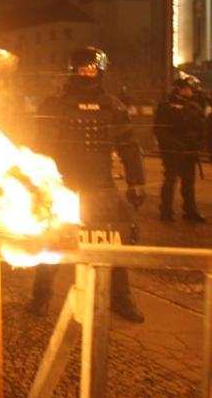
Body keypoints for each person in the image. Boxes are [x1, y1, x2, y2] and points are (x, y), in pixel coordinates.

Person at [27, 47, 147, 323]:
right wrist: (38, 183)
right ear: (72, 71)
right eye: (81, 69)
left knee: (113, 241)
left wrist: (136, 182)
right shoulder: (54, 106)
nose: (86, 74)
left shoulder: (114, 107)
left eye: (91, 69)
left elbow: (129, 146)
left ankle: (120, 297)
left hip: (101, 184)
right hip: (64, 184)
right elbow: (40, 148)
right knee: (54, 239)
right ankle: (40, 295)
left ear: (100, 71)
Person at [154, 76, 207, 223]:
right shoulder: (166, 106)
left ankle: (190, 211)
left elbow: (202, 128)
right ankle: (166, 211)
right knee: (170, 180)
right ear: (180, 89)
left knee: (188, 182)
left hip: (189, 151)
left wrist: (197, 144)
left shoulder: (194, 106)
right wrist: (174, 145)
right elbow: (160, 130)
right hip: (172, 152)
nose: (192, 92)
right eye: (189, 89)